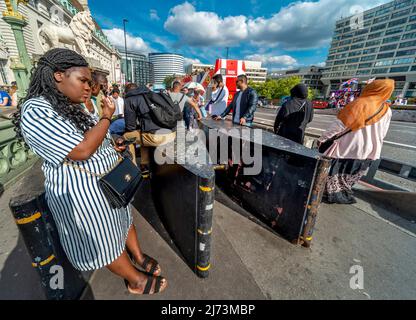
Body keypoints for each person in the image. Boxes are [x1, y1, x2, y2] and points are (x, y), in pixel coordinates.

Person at [14, 48, 167, 295]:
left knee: (124, 221)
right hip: (84, 194)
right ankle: (135, 280)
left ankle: (137, 255)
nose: (88, 87)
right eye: (83, 80)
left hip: (109, 182)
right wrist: (106, 117)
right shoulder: (36, 110)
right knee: (104, 240)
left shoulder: (71, 105)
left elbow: (96, 138)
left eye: (89, 82)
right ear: (58, 75)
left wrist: (109, 139)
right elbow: (82, 149)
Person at [318, 79, 395, 204]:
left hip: (348, 147)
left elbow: (339, 125)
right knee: (350, 176)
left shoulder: (359, 103)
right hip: (369, 150)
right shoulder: (387, 110)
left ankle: (329, 195)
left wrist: (323, 139)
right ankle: (341, 196)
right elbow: (383, 133)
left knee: (334, 172)